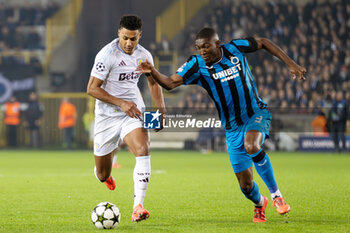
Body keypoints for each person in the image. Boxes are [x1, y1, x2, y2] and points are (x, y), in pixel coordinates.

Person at [137, 27, 307, 222]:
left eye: (206, 46)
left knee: (252, 145)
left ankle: (277, 195)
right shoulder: (196, 64)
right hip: (232, 128)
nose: (202, 51)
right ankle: (260, 203)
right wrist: (152, 71)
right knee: (246, 185)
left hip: (256, 113)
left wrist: (290, 63)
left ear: (218, 44)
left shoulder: (234, 48)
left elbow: (263, 42)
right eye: (199, 47)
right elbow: (169, 83)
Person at [86, 15, 165, 222]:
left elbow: (153, 83)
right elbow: (92, 89)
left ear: (140, 36)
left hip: (133, 111)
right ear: (118, 34)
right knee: (102, 174)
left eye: (134, 39)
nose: (129, 43)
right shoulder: (106, 55)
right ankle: (105, 175)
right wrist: (120, 103)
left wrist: (161, 109)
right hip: (107, 116)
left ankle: (138, 206)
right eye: (125, 38)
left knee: (142, 148)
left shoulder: (144, 55)